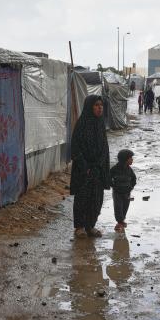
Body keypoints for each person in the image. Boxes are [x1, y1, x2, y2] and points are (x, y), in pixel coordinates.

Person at [70, 95, 111, 238]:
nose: (100, 108)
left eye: (101, 105)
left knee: (96, 199)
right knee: (82, 198)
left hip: (97, 170)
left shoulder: (100, 124)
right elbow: (75, 148)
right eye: (96, 105)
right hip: (84, 170)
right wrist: (85, 166)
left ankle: (90, 226)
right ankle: (80, 227)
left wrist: (100, 164)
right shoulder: (81, 124)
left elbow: (104, 147)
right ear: (89, 107)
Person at [110, 149, 136, 232]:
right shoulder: (115, 169)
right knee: (118, 207)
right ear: (124, 159)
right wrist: (113, 186)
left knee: (125, 207)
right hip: (117, 193)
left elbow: (134, 179)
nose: (132, 160)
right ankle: (119, 222)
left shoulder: (129, 170)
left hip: (127, 192)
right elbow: (108, 178)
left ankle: (122, 221)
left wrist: (130, 187)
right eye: (130, 158)